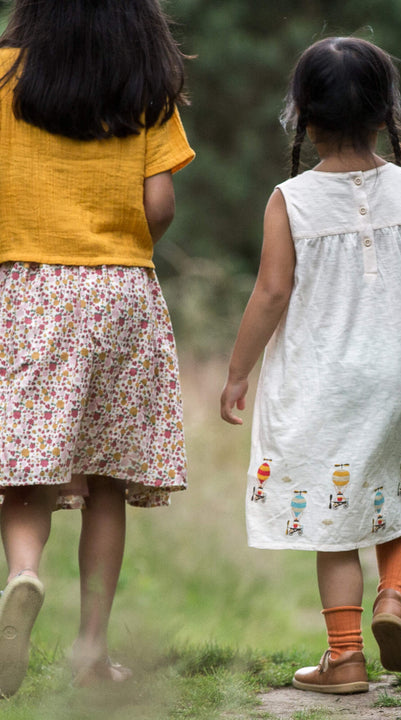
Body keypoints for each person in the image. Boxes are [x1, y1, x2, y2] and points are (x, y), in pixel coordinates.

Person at [221, 37, 401, 694]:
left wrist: (238, 371)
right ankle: (395, 596)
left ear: (302, 116)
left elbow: (271, 293)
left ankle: (346, 657)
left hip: (330, 386)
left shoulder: (291, 200)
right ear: (388, 114)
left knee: (335, 519)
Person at [0, 0, 194, 696]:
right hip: (123, 293)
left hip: (29, 288)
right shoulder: (143, 86)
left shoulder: (2, 81)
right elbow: (161, 204)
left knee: (28, 462)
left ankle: (24, 571)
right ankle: (90, 650)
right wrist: (123, 248)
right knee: (107, 476)